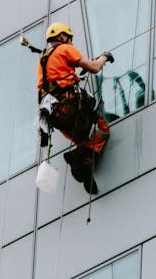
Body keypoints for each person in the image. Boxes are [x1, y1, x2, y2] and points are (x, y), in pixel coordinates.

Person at [36, 22, 114, 194]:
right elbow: (93, 67)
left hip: (55, 117)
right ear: (62, 37)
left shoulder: (42, 60)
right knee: (102, 130)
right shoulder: (65, 49)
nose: (70, 42)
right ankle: (76, 158)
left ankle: (86, 168)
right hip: (70, 107)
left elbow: (43, 91)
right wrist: (104, 58)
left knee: (83, 142)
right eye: (69, 39)